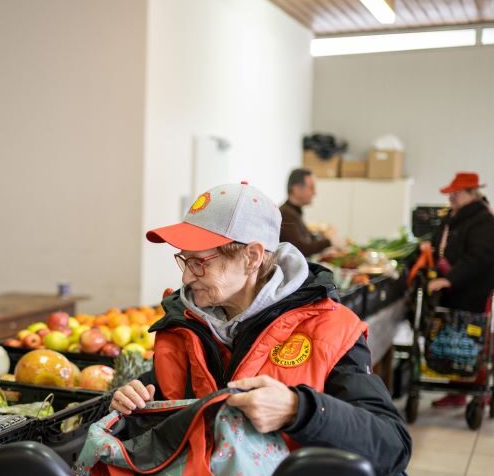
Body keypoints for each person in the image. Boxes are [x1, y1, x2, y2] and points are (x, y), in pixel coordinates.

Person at [111, 182, 411, 475]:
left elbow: (392, 446)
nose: (187, 278)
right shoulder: (181, 326)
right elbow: (169, 417)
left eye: (200, 263)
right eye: (184, 260)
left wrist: (299, 409)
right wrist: (136, 405)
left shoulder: (333, 330)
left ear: (252, 257)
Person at [426, 172, 494, 409]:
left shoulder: (484, 220)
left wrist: (449, 280)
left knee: (474, 338)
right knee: (452, 338)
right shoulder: (456, 217)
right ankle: (457, 390)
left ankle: (478, 389)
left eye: (456, 193)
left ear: (471, 193)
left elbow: (479, 257)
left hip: (473, 291)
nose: (452, 197)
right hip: (454, 291)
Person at [280, 168, 333, 257]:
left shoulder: (293, 212)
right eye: (311, 188)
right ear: (296, 189)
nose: (315, 193)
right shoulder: (286, 214)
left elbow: (305, 240)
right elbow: (299, 249)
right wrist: (330, 241)